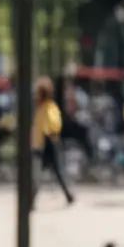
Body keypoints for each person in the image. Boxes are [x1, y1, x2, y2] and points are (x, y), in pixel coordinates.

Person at [30, 75, 74, 205]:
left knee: (46, 174)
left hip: (48, 144)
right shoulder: (43, 108)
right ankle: (68, 195)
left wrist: (46, 134)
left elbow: (54, 125)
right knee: (54, 173)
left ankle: (31, 200)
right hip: (42, 144)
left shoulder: (48, 108)